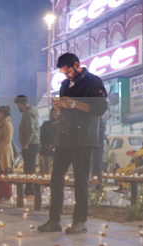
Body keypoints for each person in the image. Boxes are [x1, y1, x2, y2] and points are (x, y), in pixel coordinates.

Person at [38, 53, 108, 234]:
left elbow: (100, 109)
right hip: (64, 139)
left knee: (81, 182)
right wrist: (60, 107)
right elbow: (66, 107)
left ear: (77, 65)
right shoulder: (64, 85)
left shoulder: (93, 82)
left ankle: (80, 222)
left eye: (68, 72)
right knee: (56, 179)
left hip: (83, 139)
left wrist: (74, 103)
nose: (66, 76)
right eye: (63, 73)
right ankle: (54, 220)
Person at [15, 95, 40, 196]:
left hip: (30, 145)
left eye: (18, 105)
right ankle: (29, 187)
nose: (18, 108)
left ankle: (30, 189)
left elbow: (31, 129)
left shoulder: (28, 114)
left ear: (21, 104)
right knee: (30, 167)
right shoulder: (31, 112)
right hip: (32, 144)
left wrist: (26, 143)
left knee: (29, 168)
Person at [0, 106, 14, 201]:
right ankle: (1, 194)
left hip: (5, 153)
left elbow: (7, 139)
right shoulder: (0, 124)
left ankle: (7, 195)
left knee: (5, 173)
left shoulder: (7, 124)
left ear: (2, 114)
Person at [39, 107, 58, 175]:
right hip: (46, 151)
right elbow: (41, 136)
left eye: (56, 113)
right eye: (53, 113)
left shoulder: (60, 125)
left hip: (57, 151)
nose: (54, 115)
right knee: (46, 169)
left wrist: (53, 146)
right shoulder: (46, 124)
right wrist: (46, 145)